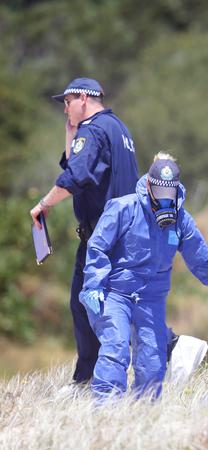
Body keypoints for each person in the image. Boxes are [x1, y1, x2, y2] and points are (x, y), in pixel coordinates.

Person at [79, 152, 208, 399]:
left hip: (151, 299)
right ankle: (106, 414)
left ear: (176, 189)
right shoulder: (123, 208)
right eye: (159, 191)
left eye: (169, 192)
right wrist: (94, 284)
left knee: (153, 362)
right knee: (116, 349)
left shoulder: (181, 220)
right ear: (149, 185)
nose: (164, 198)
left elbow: (202, 262)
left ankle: (142, 414)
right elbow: (98, 246)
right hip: (114, 294)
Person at [29, 77, 140, 386]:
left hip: (101, 237)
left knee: (90, 305)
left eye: (66, 102)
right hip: (124, 232)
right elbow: (77, 165)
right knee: (107, 303)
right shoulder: (118, 128)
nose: (65, 110)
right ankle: (87, 376)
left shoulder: (93, 131)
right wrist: (70, 134)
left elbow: (76, 176)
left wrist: (44, 203)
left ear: (82, 98)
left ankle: (169, 347)